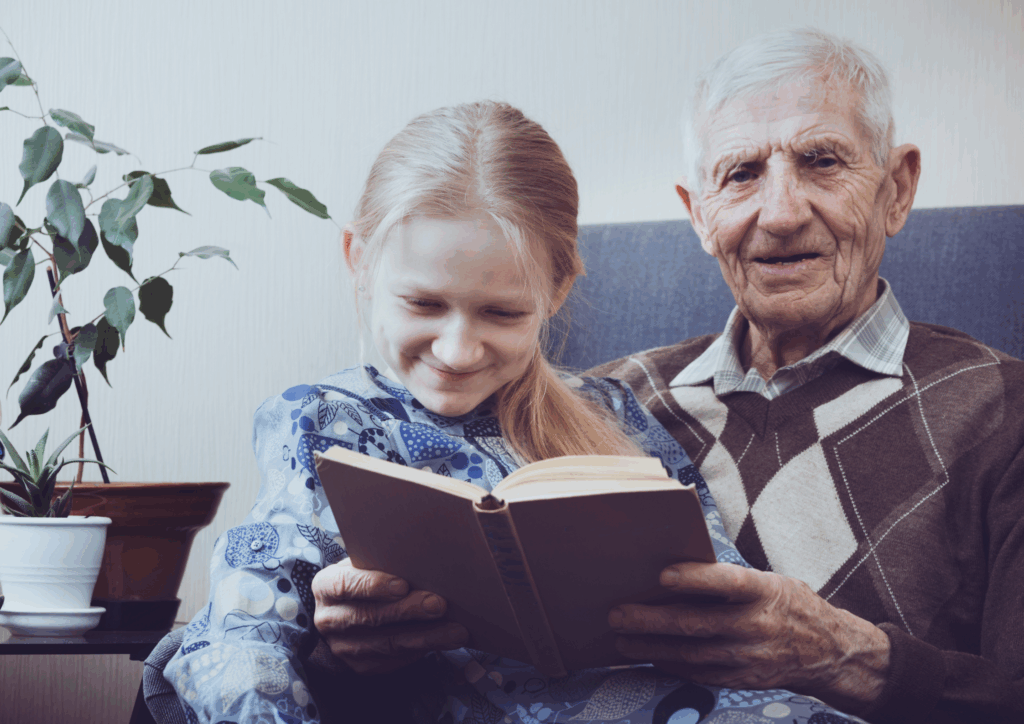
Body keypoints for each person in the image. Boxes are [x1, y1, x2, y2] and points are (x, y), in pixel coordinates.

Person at [162, 101, 864, 723]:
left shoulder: (611, 409)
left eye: (502, 312)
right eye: (424, 304)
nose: (459, 349)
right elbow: (242, 632)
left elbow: (717, 587)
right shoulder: (326, 423)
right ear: (360, 261)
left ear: (557, 289)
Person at [591, 27, 1024, 724]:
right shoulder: (602, 404)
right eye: (741, 174)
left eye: (822, 161)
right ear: (699, 214)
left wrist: (846, 657)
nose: (782, 212)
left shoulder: (1007, 412)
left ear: (897, 188)